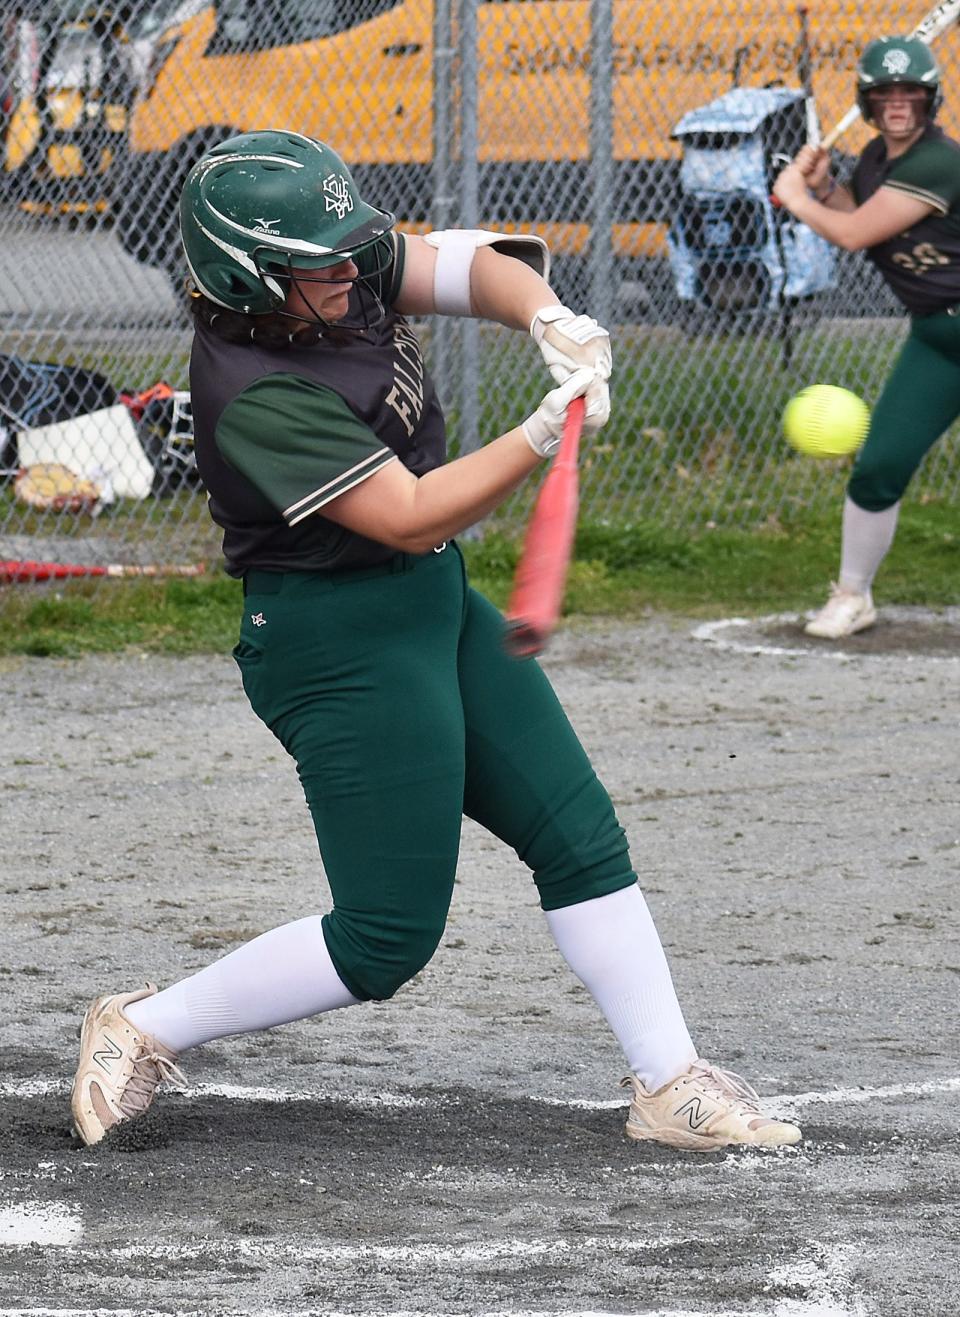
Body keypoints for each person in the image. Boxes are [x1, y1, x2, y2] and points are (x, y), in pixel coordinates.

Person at [70, 129, 801, 1152]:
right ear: (251, 281)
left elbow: (467, 266)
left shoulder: (329, 266)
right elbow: (411, 511)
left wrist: (550, 320)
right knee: (386, 938)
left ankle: (670, 1084)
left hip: (429, 602)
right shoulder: (256, 394)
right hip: (335, 641)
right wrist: (542, 431)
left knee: (576, 833)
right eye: (319, 262)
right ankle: (142, 1025)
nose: (351, 269)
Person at [773, 36, 960, 639]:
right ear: (868, 99)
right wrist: (826, 188)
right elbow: (858, 216)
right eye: (886, 92)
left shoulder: (939, 162)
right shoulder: (879, 159)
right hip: (939, 339)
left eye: (911, 92)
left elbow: (854, 234)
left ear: (930, 99)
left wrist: (799, 200)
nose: (898, 102)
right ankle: (853, 595)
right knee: (879, 469)